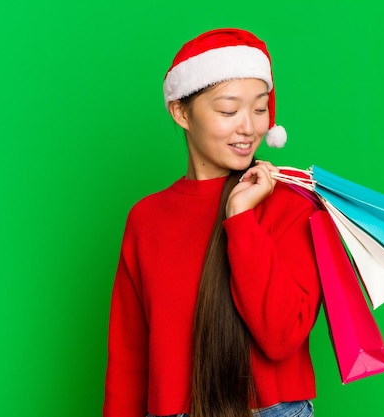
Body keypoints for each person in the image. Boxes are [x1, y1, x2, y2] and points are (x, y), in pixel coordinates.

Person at [103, 28, 322, 417]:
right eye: (228, 110)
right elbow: (129, 356)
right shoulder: (147, 219)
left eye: (259, 109)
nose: (249, 127)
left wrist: (240, 220)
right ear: (181, 112)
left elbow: (282, 337)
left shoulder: (292, 204)